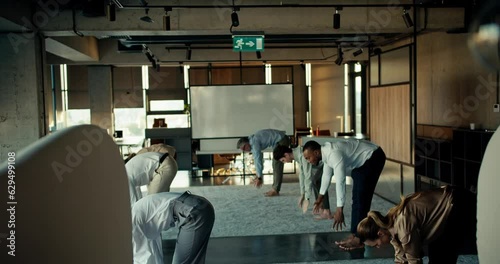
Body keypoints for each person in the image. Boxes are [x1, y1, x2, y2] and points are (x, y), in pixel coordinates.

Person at [356, 185, 477, 263]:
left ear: (380, 233)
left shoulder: (403, 226)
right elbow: (401, 258)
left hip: (458, 205)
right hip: (446, 214)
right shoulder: (390, 227)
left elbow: (414, 259)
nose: (378, 247)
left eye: (375, 244)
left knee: (443, 255)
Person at [302, 139, 386, 249]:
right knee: (356, 199)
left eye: (308, 158)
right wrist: (319, 198)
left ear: (316, 153)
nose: (308, 161)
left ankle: (359, 239)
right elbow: (326, 176)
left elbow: (340, 181)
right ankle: (355, 233)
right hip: (362, 163)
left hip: (374, 156)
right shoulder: (326, 155)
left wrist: (339, 210)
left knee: (361, 199)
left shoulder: (334, 154)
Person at [131, 191, 215, 264]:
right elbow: (153, 253)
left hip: (192, 211)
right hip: (198, 206)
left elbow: (145, 259)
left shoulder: (132, 227)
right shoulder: (132, 218)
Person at [273, 145, 332, 219]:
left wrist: (307, 198)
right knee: (316, 181)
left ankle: (326, 211)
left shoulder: (301, 155)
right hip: (321, 165)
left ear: (286, 154)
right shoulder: (297, 154)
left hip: (327, 162)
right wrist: (302, 194)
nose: (284, 163)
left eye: (283, 160)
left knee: (319, 182)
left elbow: (307, 176)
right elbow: (302, 174)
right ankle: (321, 208)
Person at [237, 129, 290, 196]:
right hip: (279, 141)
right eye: (243, 150)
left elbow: (258, 159)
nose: (245, 150)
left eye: (244, 148)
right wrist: (258, 175)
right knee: (275, 164)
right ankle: (275, 189)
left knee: (277, 164)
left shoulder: (254, 142)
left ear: (246, 143)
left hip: (282, 140)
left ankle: (275, 190)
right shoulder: (253, 141)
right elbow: (258, 160)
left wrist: (259, 177)